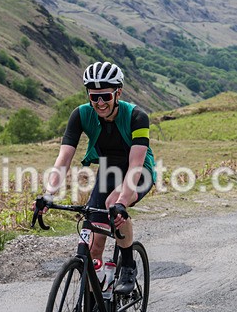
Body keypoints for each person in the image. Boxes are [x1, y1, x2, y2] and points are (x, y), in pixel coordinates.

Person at [38, 61, 156, 294]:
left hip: (139, 170)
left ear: (118, 93)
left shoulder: (137, 117)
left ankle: (128, 265)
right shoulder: (80, 115)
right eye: (94, 97)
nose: (100, 103)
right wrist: (48, 194)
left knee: (113, 204)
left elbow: (135, 165)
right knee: (93, 243)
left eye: (105, 96)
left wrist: (123, 202)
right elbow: (63, 159)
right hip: (109, 171)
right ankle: (97, 299)